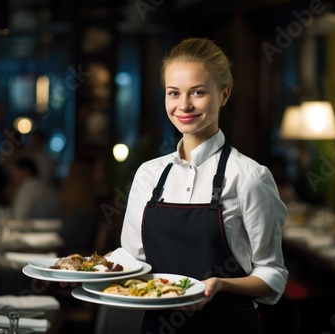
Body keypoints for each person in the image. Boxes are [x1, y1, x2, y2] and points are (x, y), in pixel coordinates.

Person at [117, 37, 288, 333]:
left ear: (224, 94)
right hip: (158, 326)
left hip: (228, 326)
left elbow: (272, 274)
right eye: (174, 93)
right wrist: (87, 270)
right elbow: (133, 258)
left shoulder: (249, 176)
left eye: (197, 92)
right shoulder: (148, 174)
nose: (184, 105)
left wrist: (220, 284)